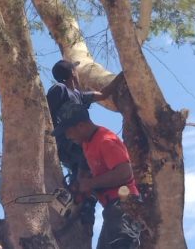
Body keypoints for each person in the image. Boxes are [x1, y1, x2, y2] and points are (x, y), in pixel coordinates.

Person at [52, 102, 141, 249]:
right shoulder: (87, 144)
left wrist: (90, 184)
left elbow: (125, 173)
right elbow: (84, 173)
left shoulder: (106, 141)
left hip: (125, 206)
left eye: (68, 131)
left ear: (81, 126)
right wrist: (77, 188)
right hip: (111, 209)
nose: (67, 136)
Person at [47, 60, 115, 230]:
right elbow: (46, 112)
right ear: (72, 73)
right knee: (87, 169)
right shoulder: (59, 89)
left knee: (88, 173)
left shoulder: (78, 94)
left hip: (80, 144)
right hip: (67, 143)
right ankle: (82, 205)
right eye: (75, 70)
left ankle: (81, 207)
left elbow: (103, 95)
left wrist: (123, 76)